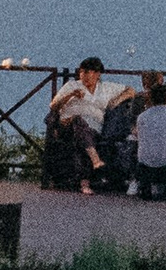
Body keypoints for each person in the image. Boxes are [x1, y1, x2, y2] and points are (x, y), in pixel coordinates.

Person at [45, 55, 124, 193]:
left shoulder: (106, 88)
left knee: (83, 137)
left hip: (93, 129)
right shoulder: (71, 86)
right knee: (78, 120)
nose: (83, 75)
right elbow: (53, 106)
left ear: (97, 74)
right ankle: (95, 162)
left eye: (87, 72)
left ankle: (86, 180)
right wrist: (70, 95)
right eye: (81, 72)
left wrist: (116, 101)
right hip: (67, 126)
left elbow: (130, 90)